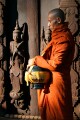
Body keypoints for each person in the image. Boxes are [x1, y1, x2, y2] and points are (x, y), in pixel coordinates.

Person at [26, 8, 75, 120]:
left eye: (50, 21)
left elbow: (55, 64)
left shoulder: (64, 38)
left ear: (58, 20)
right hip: (50, 80)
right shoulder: (57, 36)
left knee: (59, 114)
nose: (48, 24)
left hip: (57, 83)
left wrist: (36, 60)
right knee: (48, 113)